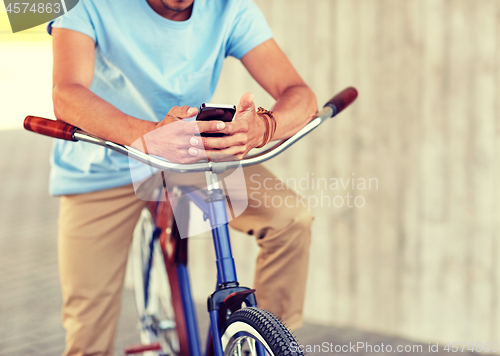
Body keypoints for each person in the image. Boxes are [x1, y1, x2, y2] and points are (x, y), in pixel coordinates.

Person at [48, 0, 317, 354]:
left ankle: (266, 343)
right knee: (88, 330)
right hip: (104, 164)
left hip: (189, 160)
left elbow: (300, 94)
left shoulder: (230, 8)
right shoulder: (84, 4)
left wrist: (263, 128)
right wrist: (148, 135)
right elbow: (66, 93)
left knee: (289, 219)